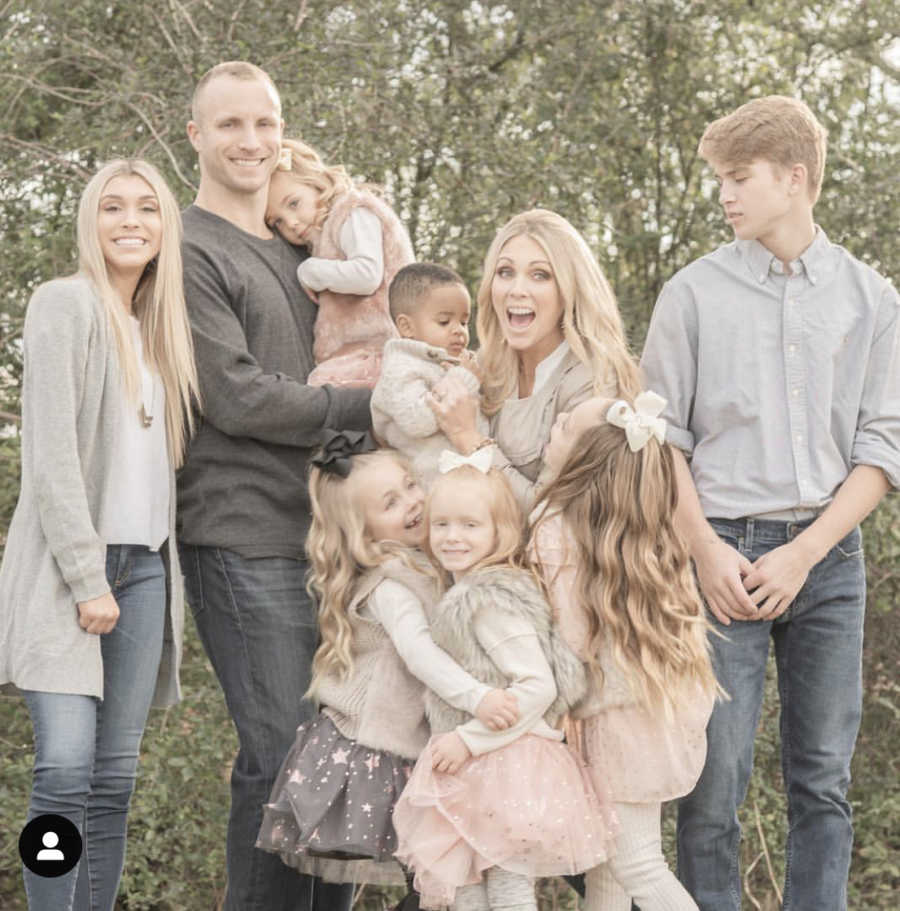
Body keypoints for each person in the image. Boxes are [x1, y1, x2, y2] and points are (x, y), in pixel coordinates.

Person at [640, 95, 900, 911]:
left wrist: (804, 553)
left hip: (825, 561)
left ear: (795, 178)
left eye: (739, 176)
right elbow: (657, 439)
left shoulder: (872, 300)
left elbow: (882, 451)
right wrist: (705, 551)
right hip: (717, 555)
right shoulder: (691, 294)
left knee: (821, 779)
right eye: (720, 178)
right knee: (711, 779)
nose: (725, 194)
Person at [178, 62, 372, 911]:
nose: (251, 141)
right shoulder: (186, 250)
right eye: (230, 125)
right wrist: (376, 408)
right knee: (280, 749)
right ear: (196, 136)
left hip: (331, 538)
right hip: (240, 530)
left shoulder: (303, 247)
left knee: (341, 751)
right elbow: (238, 395)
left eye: (265, 123)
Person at [0, 158, 199, 910]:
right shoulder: (65, 304)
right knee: (63, 767)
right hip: (66, 569)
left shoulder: (162, 333)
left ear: (163, 227)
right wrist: (88, 579)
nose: (130, 221)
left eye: (147, 208)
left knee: (114, 778)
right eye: (112, 207)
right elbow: (48, 458)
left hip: (146, 568)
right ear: (91, 221)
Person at [256, 432, 519, 896]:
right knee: (433, 879)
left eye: (411, 485)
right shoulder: (391, 585)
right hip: (375, 747)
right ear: (365, 532)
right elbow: (422, 657)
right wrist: (479, 699)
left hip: (408, 743)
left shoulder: (426, 561)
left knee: (437, 879)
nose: (413, 501)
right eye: (391, 502)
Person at [394, 458, 615, 911]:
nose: (453, 536)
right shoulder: (461, 593)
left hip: (505, 764)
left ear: (500, 532)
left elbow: (538, 688)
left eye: (470, 525)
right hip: (472, 768)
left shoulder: (489, 600)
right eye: (442, 524)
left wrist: (468, 741)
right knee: (465, 889)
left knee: (508, 890)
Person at [529, 392, 721, 911]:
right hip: (652, 712)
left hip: (613, 722)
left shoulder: (555, 528)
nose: (557, 422)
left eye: (566, 424)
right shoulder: (646, 532)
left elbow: (567, 636)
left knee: (637, 863)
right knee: (608, 875)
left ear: (586, 459)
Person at [426, 208, 642, 511]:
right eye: (505, 272)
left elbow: (552, 514)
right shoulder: (485, 364)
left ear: (569, 289)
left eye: (539, 275)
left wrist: (468, 438)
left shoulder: (593, 383)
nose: (517, 290)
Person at [265, 137, 413, 388]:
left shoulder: (352, 211)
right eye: (277, 221)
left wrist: (309, 270)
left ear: (316, 183)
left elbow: (367, 275)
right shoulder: (325, 236)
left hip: (380, 348)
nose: (290, 222)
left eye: (293, 203)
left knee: (319, 396)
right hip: (360, 353)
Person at [371, 262, 489, 487]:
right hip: (431, 485)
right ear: (407, 327)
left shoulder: (448, 361)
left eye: (464, 322)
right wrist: (466, 379)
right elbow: (416, 421)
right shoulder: (400, 367)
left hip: (464, 474)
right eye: (444, 321)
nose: (459, 330)